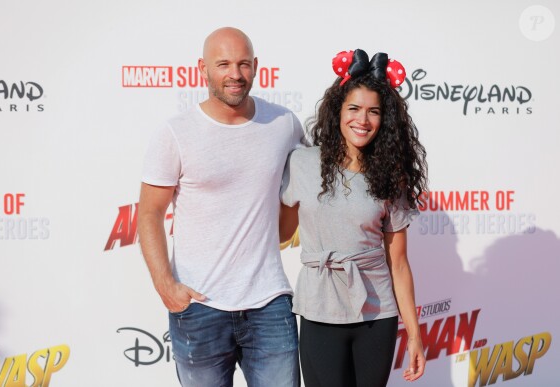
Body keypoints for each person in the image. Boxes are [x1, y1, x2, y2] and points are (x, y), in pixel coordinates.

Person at [138, 27, 303, 387]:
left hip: (269, 303)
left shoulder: (284, 124)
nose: (235, 74)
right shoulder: (176, 132)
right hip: (198, 308)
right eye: (224, 64)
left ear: (256, 66)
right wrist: (164, 283)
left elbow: (301, 188)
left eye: (243, 64)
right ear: (203, 68)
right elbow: (149, 212)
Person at [279, 49, 427, 387]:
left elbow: (399, 263)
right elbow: (280, 232)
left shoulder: (392, 176)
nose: (363, 120)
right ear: (338, 112)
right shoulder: (302, 163)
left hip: (377, 314)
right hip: (319, 307)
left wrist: (415, 335)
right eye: (354, 109)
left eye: (373, 112)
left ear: (384, 120)